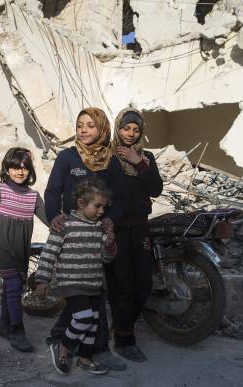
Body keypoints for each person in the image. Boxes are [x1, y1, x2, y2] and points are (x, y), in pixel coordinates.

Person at [43, 107, 127, 371]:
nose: (84, 130)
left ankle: (82, 346)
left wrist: (111, 219)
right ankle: (92, 349)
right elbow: (53, 189)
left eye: (91, 125)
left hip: (99, 234)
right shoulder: (67, 157)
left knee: (94, 293)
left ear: (101, 128)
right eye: (80, 125)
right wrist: (54, 215)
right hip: (72, 230)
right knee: (85, 295)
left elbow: (120, 198)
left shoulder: (111, 161)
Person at [36, 178, 116, 375]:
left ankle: (85, 358)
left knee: (93, 324)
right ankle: (63, 347)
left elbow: (107, 258)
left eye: (104, 207)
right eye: (97, 206)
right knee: (83, 318)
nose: (101, 211)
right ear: (81, 203)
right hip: (71, 283)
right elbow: (49, 253)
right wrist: (42, 280)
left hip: (93, 283)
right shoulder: (64, 225)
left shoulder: (100, 228)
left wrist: (110, 245)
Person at [0, 147, 48, 352]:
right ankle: (18, 331)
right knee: (15, 286)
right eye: (15, 167)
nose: (20, 171)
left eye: (25, 167)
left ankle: (4, 325)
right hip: (2, 245)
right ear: (7, 169)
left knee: (12, 286)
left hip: (21, 248)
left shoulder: (34, 196)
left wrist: (67, 223)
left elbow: (49, 219)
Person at [107, 108, 163, 362]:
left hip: (140, 228)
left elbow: (156, 189)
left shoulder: (146, 157)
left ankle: (119, 327)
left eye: (136, 129)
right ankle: (124, 340)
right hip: (115, 229)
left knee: (144, 284)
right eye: (126, 128)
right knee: (122, 286)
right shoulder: (107, 156)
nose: (130, 134)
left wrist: (137, 161)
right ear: (117, 128)